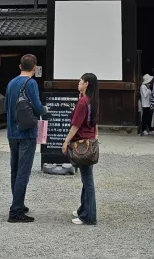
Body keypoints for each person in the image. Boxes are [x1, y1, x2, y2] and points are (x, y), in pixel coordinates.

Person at [5, 54, 48, 223]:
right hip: (26, 133)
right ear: (35, 67)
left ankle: (18, 203)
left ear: (20, 66)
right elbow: (37, 107)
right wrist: (44, 109)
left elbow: (7, 105)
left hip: (12, 132)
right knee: (24, 171)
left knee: (15, 170)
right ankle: (15, 211)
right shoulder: (30, 83)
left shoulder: (11, 83)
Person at [62, 73, 99, 226]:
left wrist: (66, 142)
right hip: (90, 141)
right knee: (86, 178)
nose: (78, 83)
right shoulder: (92, 100)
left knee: (88, 180)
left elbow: (75, 125)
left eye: (80, 81)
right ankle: (83, 209)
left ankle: (89, 216)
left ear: (86, 84)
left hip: (82, 142)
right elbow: (95, 123)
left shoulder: (83, 102)